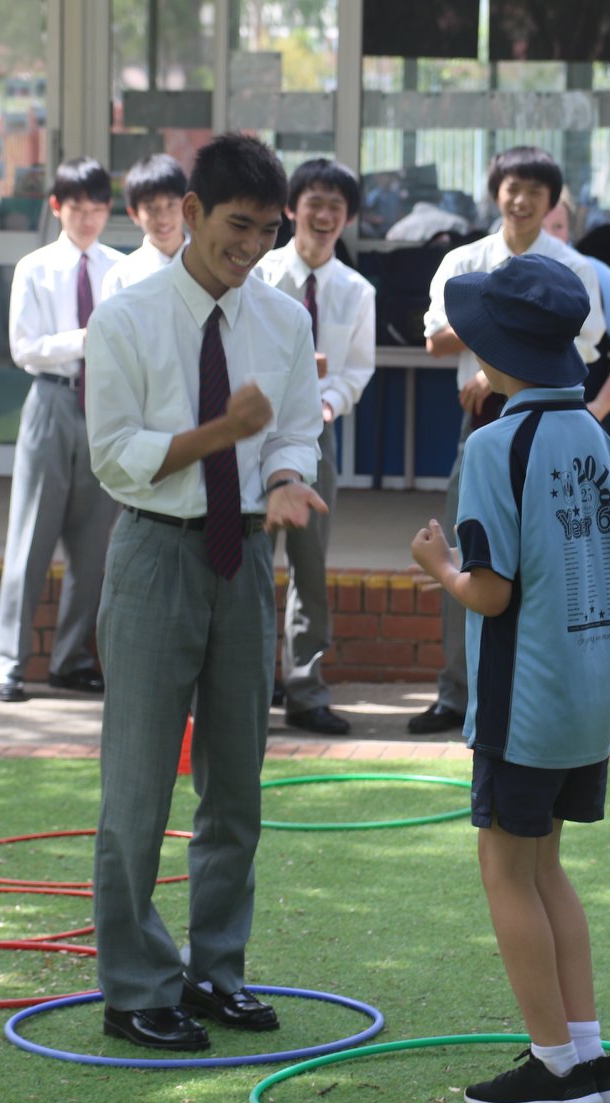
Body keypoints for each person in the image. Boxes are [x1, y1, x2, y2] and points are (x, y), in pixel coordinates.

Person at [84, 133, 325, 1051]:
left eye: (268, 230)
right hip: (154, 554)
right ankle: (137, 986)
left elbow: (294, 431)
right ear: (189, 213)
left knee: (236, 787)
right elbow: (117, 460)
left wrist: (281, 480)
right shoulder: (128, 319)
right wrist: (219, 432)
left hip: (244, 562)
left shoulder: (283, 320)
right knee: (138, 787)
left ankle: (217, 971)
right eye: (237, 227)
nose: (252, 247)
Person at [410, 254, 610, 1103]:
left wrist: (438, 565)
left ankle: (553, 1067)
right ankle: (588, 1054)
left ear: (497, 350)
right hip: (587, 694)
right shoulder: (595, 437)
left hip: (523, 696)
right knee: (547, 869)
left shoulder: (495, 445)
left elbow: (492, 591)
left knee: (504, 864)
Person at [408, 146, 605, 735]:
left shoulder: (575, 267)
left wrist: (491, 352)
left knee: (555, 554)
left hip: (553, 419)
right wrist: (498, 345)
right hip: (484, 422)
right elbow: (435, 339)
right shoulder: (465, 258)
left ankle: (539, 686)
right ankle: (457, 692)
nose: (520, 201)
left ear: (554, 202)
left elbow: (585, 348)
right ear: (495, 191)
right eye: (512, 187)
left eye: (535, 193)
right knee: (474, 553)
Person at [0, 157, 122, 703]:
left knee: (94, 545)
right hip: (51, 400)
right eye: (76, 208)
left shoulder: (121, 268)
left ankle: (71, 660)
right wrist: (85, 338)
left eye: (96, 209)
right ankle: (8, 663)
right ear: (56, 208)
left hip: (106, 406)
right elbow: (25, 348)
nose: (87, 219)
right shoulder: (35, 267)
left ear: (109, 210)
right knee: (30, 538)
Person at [254, 159, 376, 736]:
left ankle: (305, 689)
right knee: (251, 560)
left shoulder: (357, 290)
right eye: (314, 203)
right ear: (291, 207)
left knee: (310, 562)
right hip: (253, 431)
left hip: (317, 435)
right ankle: (249, 687)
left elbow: (357, 370)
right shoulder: (259, 275)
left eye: (336, 206)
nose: (324, 216)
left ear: (347, 217)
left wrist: (328, 402)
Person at [542, 199, 610, 438]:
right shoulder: (502, 269)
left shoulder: (592, 271)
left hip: (576, 431)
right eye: (540, 227)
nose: (549, 236)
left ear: (571, 231)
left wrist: (599, 408)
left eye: (558, 227)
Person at [102, 154, 189, 300]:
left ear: (187, 206)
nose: (163, 218)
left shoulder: (211, 270)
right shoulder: (121, 278)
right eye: (150, 207)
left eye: (171, 205)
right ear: (133, 213)